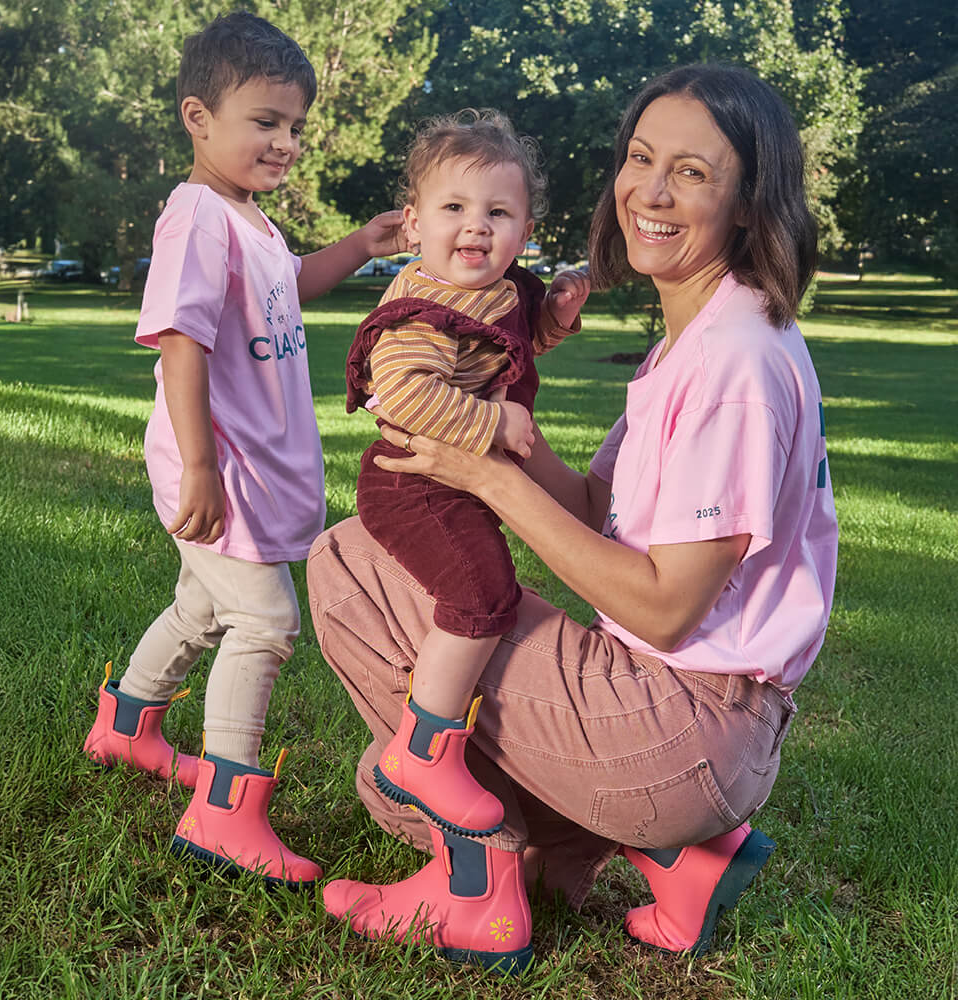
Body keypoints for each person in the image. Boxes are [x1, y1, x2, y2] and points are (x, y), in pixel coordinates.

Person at [307, 63, 838, 973]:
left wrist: (488, 476)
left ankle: (476, 893)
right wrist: (514, 442)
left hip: (683, 723)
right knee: (393, 764)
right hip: (700, 726)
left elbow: (668, 607)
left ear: (752, 204)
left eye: (695, 173)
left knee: (347, 564)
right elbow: (603, 508)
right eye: (641, 158)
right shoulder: (701, 334)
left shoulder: (733, 366)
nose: (652, 191)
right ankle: (672, 857)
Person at [83, 10, 405, 890]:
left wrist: (361, 247)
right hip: (217, 471)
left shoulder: (250, 221)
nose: (286, 141)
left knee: (200, 609)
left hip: (256, 472)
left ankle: (125, 728)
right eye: (265, 121)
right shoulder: (195, 217)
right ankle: (224, 814)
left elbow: (287, 286)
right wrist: (199, 467)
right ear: (199, 117)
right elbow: (181, 341)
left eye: (295, 126)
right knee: (263, 621)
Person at [343, 109, 589, 841]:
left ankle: (460, 722)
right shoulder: (421, 312)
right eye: (454, 208)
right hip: (412, 482)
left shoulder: (496, 289)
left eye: (498, 212)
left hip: (456, 478)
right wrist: (495, 425)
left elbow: (508, 344)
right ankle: (424, 748)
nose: (475, 226)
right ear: (413, 224)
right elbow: (409, 396)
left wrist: (559, 320)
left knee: (486, 587)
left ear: (526, 228)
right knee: (483, 596)